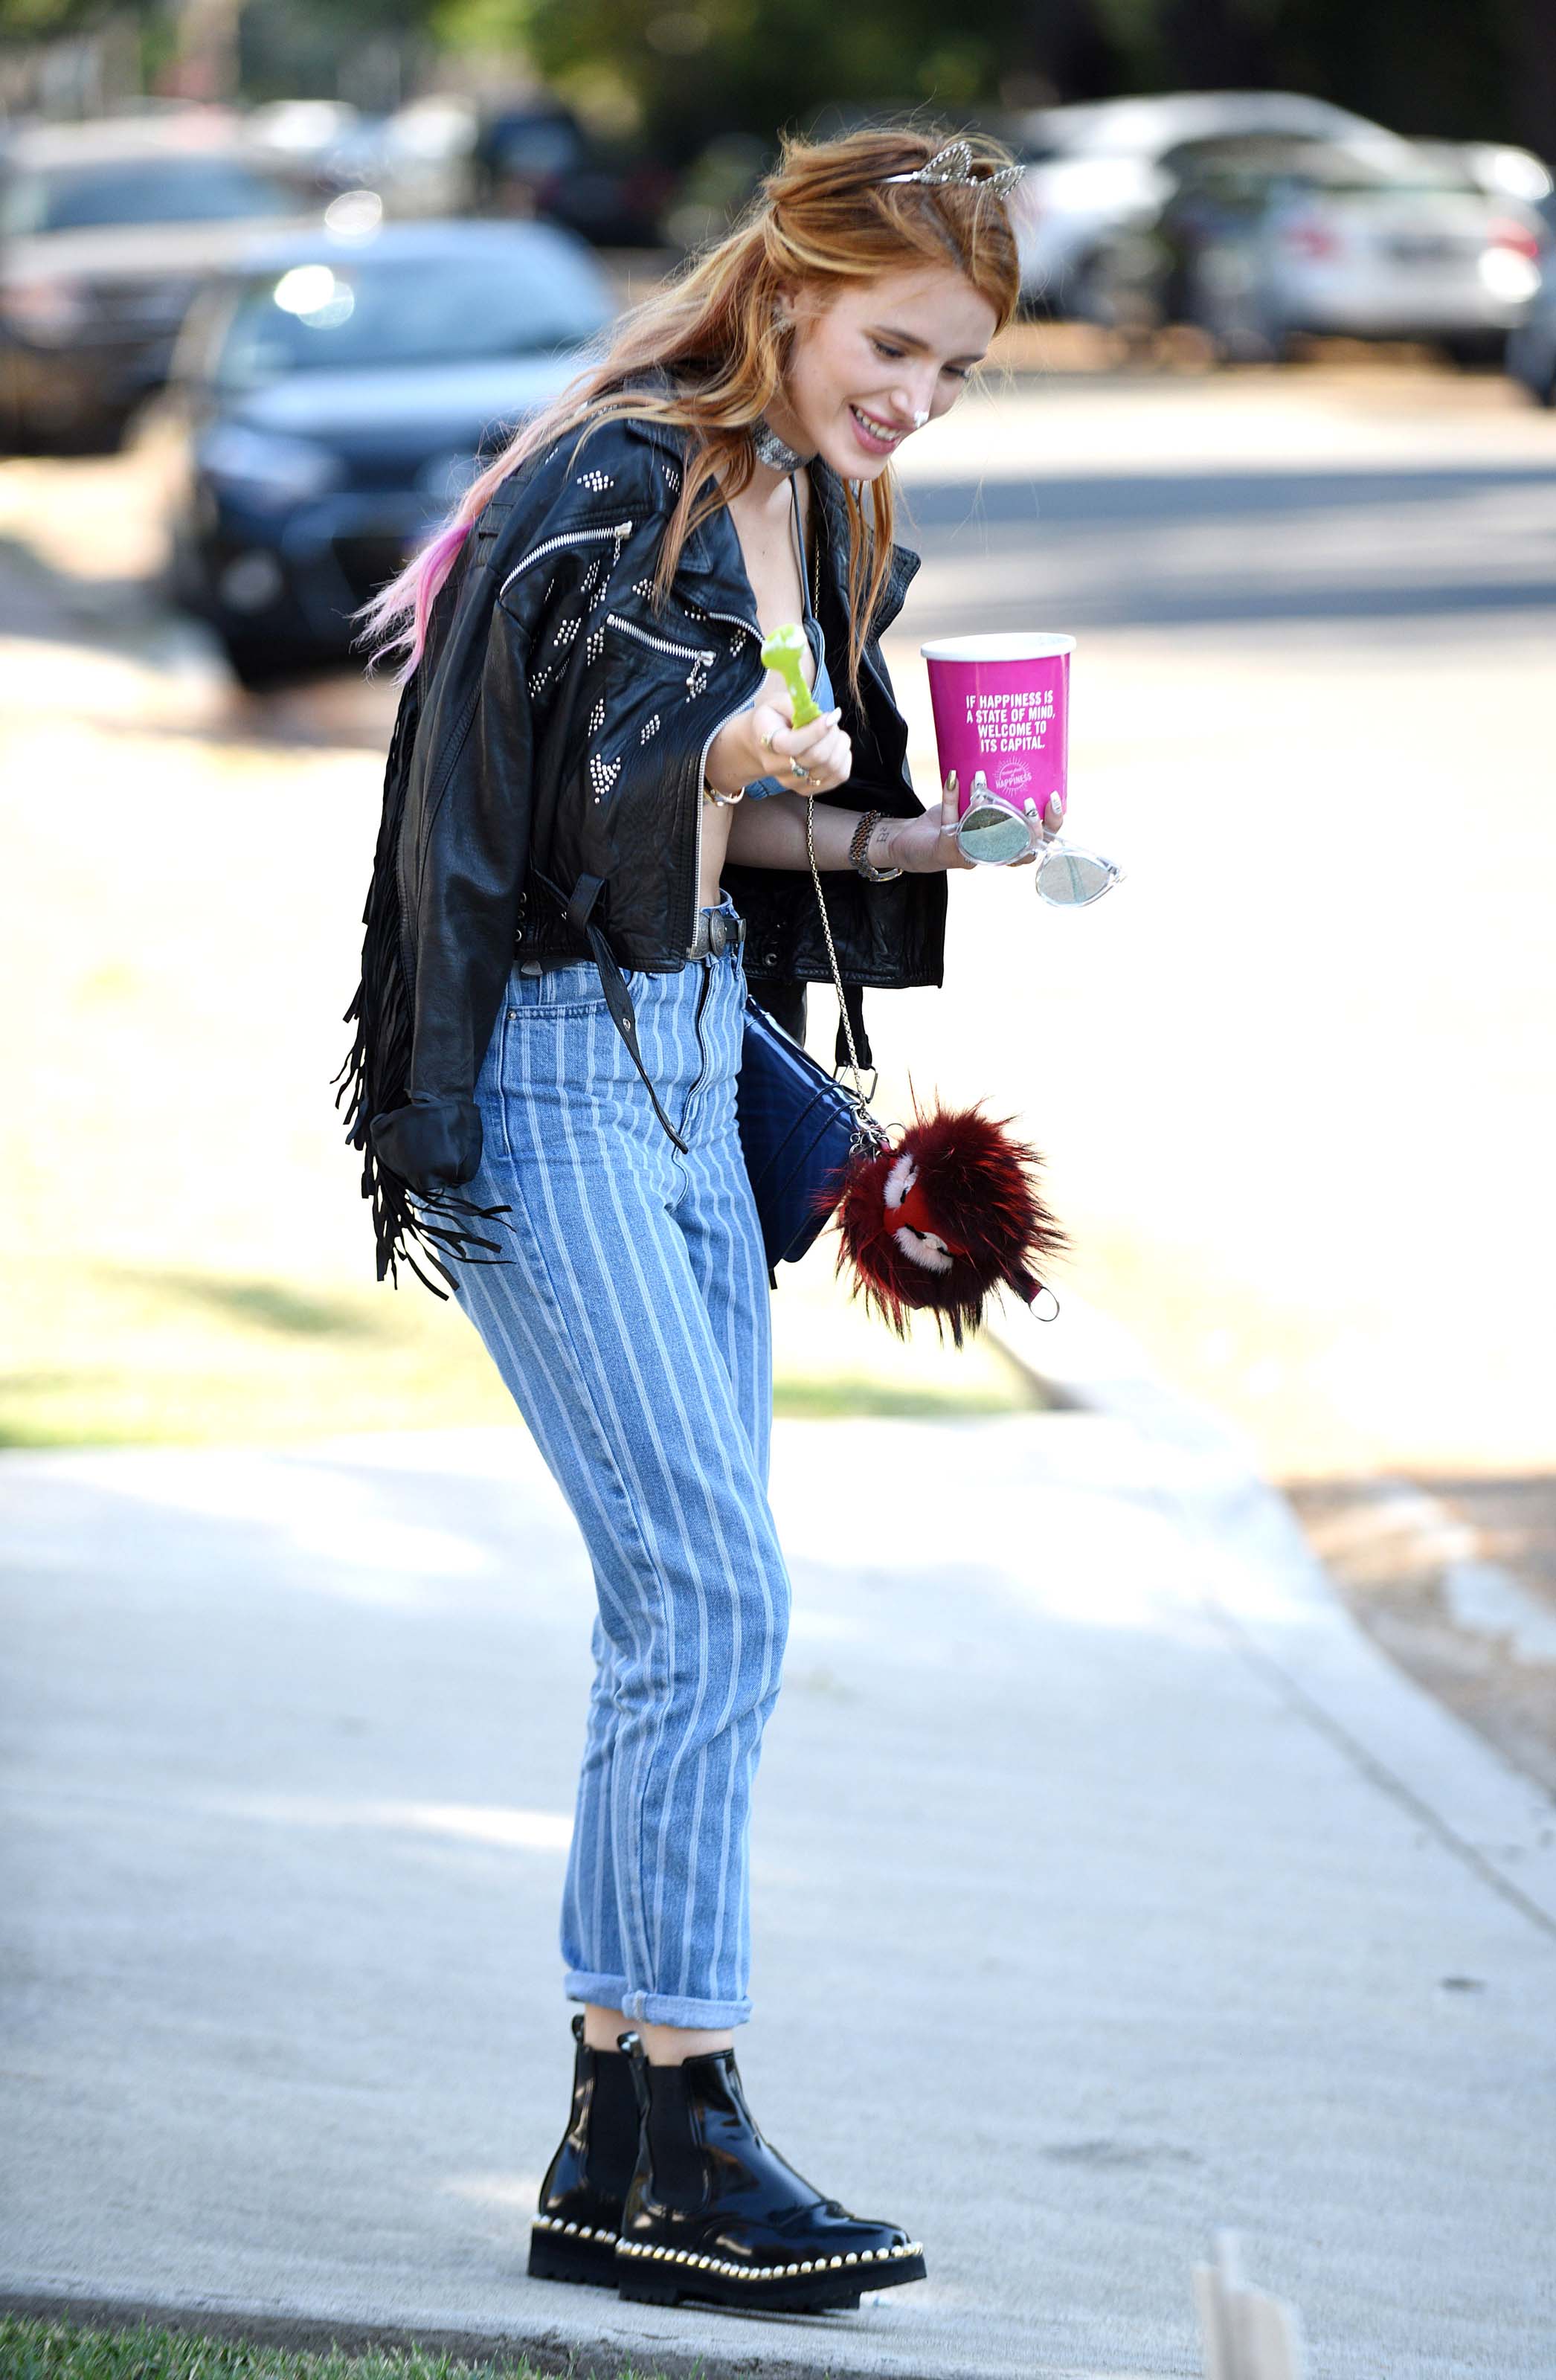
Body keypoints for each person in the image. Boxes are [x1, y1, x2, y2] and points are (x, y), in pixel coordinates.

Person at [339, 121, 1026, 2316]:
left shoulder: (819, 509)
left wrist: (925, 847)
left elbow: (738, 845)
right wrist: (731, 762)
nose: (911, 398)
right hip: (543, 1064)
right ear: (795, 280)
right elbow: (503, 806)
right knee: (707, 1590)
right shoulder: (608, 478)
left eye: (955, 372)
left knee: (689, 1608)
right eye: (894, 343)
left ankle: (622, 2140)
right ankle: (681, 2118)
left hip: (684, 1046)